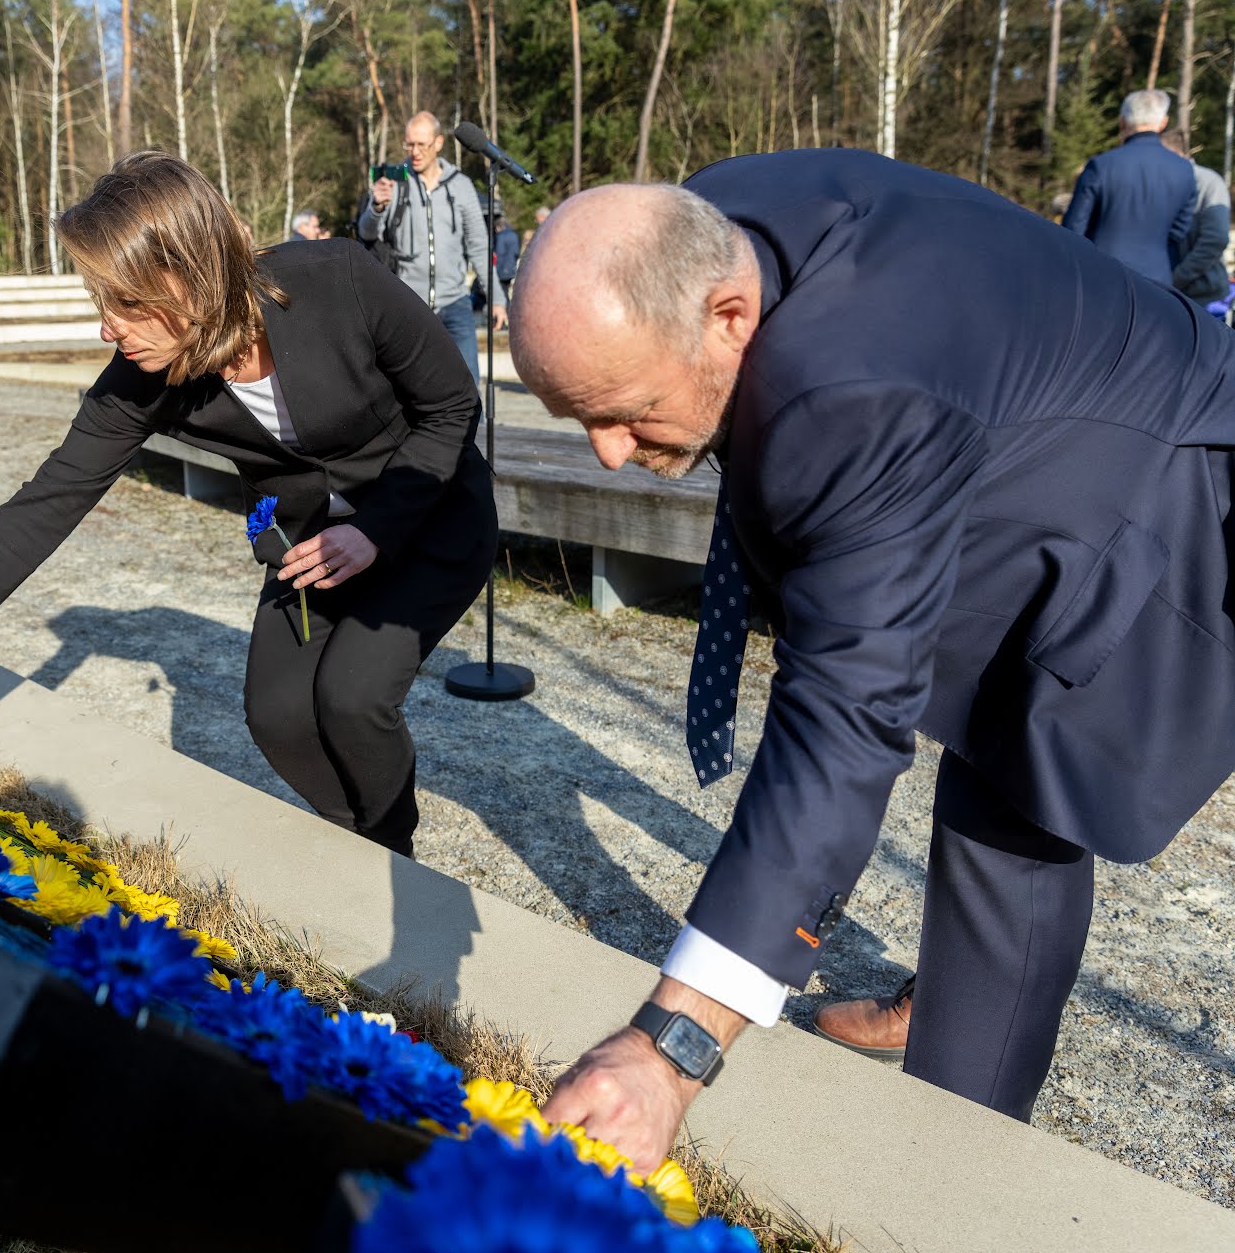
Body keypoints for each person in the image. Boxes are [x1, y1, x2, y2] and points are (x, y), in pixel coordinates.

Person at [508, 149, 1235, 1172]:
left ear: (726, 316)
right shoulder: (704, 223)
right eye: (579, 417)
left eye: (622, 410)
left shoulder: (847, 392)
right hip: (1012, 417)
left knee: (1016, 783)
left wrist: (671, 1051)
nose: (609, 455)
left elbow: (845, 714)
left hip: (1153, 495)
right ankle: (950, 997)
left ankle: (949, 1168)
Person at [0, 151, 497, 860]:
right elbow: (48, 499)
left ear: (188, 273)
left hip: (428, 513)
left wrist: (378, 530)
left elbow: (451, 406)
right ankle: (358, 841)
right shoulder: (141, 378)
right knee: (278, 714)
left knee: (352, 697)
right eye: (100, 303)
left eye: (127, 302)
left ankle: (396, 861)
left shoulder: (338, 280)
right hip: (306, 544)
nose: (107, 329)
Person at [356, 111, 506, 389]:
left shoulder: (461, 185)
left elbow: (478, 245)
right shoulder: (395, 183)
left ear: (438, 143)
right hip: (408, 305)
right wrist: (377, 207)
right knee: (408, 389)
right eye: (409, 144)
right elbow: (366, 232)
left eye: (422, 145)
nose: (415, 152)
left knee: (467, 389)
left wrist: (496, 297)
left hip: (456, 304)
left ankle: (471, 434)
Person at [1060, 89, 1194, 282]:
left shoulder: (1101, 166)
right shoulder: (1184, 170)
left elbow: (1074, 227)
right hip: (1157, 281)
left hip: (1101, 276)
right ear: (1163, 123)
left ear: (1122, 122)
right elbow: (1179, 231)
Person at [1161, 128, 1232, 313]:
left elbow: (1215, 240)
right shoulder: (1160, 184)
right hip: (1166, 294)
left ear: (1176, 153)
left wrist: (1175, 278)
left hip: (1205, 298)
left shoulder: (1208, 183)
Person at [492, 207, 521, 301]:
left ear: (497, 227)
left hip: (502, 270)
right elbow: (516, 252)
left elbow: (499, 254)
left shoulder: (501, 236)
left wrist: (495, 270)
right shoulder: (514, 235)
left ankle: (504, 312)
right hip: (511, 268)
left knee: (501, 294)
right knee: (507, 291)